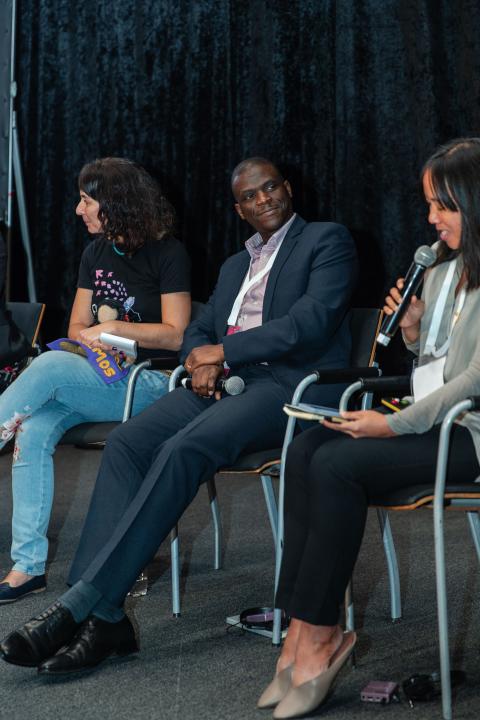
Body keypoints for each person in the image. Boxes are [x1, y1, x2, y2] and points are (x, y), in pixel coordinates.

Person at [0, 156, 358, 674]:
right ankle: (101, 615)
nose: (265, 200)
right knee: (127, 444)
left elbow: (310, 323)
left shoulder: (326, 241)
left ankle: (83, 610)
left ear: (288, 189)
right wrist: (199, 358)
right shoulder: (238, 266)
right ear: (239, 210)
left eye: (271, 188)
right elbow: (202, 323)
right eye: (251, 196)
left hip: (287, 384)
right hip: (222, 383)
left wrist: (223, 354)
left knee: (183, 448)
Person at [255, 137, 480, 720]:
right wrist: (410, 328)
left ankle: (323, 635)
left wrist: (393, 425)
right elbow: (433, 368)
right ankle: (301, 631)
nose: (431, 218)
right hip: (433, 419)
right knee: (309, 448)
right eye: (429, 205)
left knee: (337, 463)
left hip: (469, 434)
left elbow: (473, 380)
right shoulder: (443, 271)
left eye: (443, 205)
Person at [0, 157, 191, 603]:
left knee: (45, 367)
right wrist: (98, 340)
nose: (78, 209)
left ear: (116, 203)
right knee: (34, 426)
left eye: (87, 201)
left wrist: (112, 332)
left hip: (152, 383)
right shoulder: (95, 253)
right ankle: (27, 567)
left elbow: (176, 333)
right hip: (98, 378)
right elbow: (74, 329)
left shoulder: (168, 253)